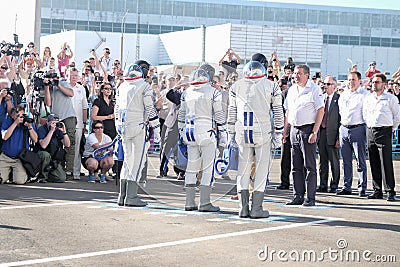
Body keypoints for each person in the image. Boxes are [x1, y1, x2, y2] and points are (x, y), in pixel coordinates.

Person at [228, 59, 284, 218]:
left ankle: (243, 207)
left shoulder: (236, 86)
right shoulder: (271, 85)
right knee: (261, 170)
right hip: (262, 132)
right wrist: (279, 132)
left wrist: (230, 132)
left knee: (243, 170)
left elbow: (231, 112)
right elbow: (278, 110)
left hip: (242, 132)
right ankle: (256, 208)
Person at [178, 63, 227, 212]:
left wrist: (181, 131)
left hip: (189, 131)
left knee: (191, 167)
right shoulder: (213, 92)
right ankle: (204, 202)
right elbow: (219, 115)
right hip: (206, 131)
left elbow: (181, 114)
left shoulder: (187, 92)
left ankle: (189, 202)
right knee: (208, 167)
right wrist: (224, 133)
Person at [116, 61, 161, 207]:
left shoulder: (122, 86)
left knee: (127, 162)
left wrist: (118, 125)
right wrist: (156, 128)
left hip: (123, 127)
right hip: (138, 126)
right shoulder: (144, 86)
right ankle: (131, 196)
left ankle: (122, 195)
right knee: (137, 162)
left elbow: (117, 108)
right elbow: (150, 109)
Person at [283, 64, 325, 206]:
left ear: (307, 75)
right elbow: (288, 112)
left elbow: (320, 110)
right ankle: (298, 195)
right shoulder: (292, 90)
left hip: (308, 130)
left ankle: (310, 197)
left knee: (309, 166)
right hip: (294, 130)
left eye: (299, 73)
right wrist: (285, 131)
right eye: (295, 73)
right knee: (296, 166)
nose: (296, 76)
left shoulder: (314, 89)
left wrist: (314, 131)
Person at [363, 73, 400, 201]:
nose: (375, 84)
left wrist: (390, 129)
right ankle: (377, 190)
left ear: (384, 84)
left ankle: (390, 191)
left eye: (377, 82)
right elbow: (365, 114)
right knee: (373, 162)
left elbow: (397, 117)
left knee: (386, 162)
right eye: (373, 82)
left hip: (384, 131)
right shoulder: (368, 98)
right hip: (371, 131)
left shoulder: (390, 99)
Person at [337, 71, 369, 196]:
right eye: (349, 79)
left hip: (358, 129)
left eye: (353, 79)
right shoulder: (343, 95)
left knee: (360, 160)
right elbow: (341, 112)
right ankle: (347, 186)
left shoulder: (364, 95)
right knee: (345, 161)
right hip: (344, 129)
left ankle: (362, 187)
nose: (351, 82)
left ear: (359, 80)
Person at [44, 67, 77, 176]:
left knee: (70, 143)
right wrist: (47, 87)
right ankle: (60, 169)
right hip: (56, 118)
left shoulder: (63, 83)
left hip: (68, 117)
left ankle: (69, 170)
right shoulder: (49, 88)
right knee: (58, 144)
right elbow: (48, 103)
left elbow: (71, 93)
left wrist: (57, 84)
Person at [0, 106, 38, 184]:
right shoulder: (8, 122)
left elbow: (35, 140)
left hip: (20, 158)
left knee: (19, 181)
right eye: (17, 116)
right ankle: (8, 174)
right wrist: (15, 123)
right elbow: (5, 137)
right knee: (1, 179)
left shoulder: (27, 124)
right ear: (12, 116)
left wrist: (30, 127)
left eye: (22, 115)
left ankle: (17, 174)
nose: (20, 118)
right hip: (6, 157)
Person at [317, 76, 341, 193]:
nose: (325, 86)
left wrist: (338, 138)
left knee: (334, 161)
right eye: (324, 84)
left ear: (334, 86)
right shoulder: (321, 98)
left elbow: (340, 120)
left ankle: (334, 184)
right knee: (322, 161)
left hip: (333, 134)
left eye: (328, 84)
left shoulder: (339, 99)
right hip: (321, 133)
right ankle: (323, 184)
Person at [37, 114, 70, 183]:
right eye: (53, 123)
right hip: (43, 154)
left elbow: (67, 145)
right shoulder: (41, 129)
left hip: (54, 157)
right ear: (47, 122)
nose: (55, 125)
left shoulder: (58, 130)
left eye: (57, 123)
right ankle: (43, 177)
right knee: (45, 155)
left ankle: (49, 175)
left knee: (62, 178)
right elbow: (43, 145)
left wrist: (64, 132)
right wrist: (51, 131)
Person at [68, 68, 89, 180]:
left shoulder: (81, 89)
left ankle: (75, 172)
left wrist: (85, 122)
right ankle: (65, 170)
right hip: (65, 122)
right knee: (66, 147)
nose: (74, 77)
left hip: (78, 123)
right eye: (72, 75)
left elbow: (84, 107)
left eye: (76, 75)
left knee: (76, 148)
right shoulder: (63, 86)